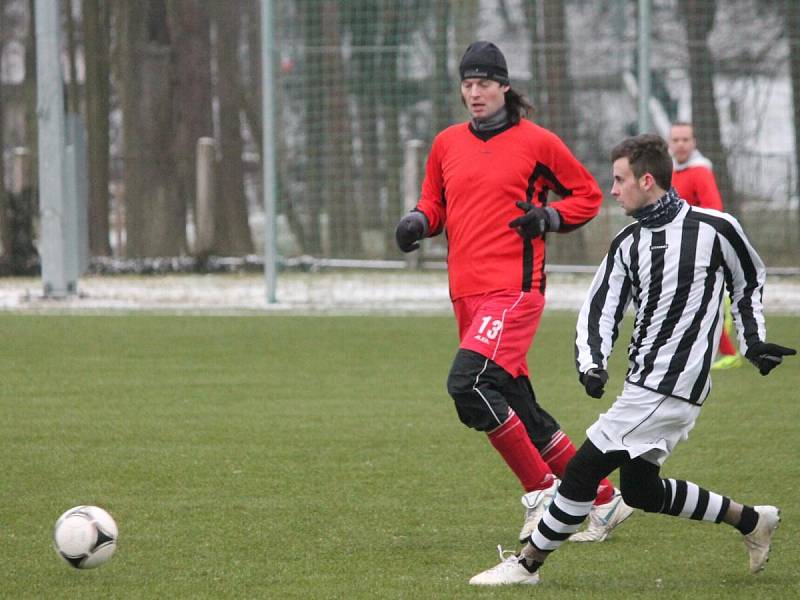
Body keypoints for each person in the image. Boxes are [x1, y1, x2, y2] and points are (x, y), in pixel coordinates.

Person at [468, 133, 796, 586]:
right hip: (643, 384)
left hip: (673, 386)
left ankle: (526, 565)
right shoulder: (628, 241)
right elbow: (600, 305)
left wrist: (753, 340)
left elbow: (748, 283)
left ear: (647, 179)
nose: (613, 189)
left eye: (619, 180)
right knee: (641, 490)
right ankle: (751, 520)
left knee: (582, 470)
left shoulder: (715, 228)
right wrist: (592, 361)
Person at [394, 41, 633, 547]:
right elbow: (434, 202)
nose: (475, 93)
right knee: (520, 408)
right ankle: (604, 499)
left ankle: (542, 491)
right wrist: (418, 221)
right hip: (466, 294)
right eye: (468, 84)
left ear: (504, 87)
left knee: (468, 384)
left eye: (484, 83)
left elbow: (587, 196)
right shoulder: (446, 143)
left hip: (514, 291)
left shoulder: (537, 142)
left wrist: (548, 217)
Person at [668, 122, 741, 370]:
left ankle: (728, 352)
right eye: (676, 139)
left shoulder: (699, 172)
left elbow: (713, 210)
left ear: (694, 142)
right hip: (676, 248)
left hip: (699, 248)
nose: (680, 144)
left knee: (701, 301)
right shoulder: (670, 172)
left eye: (685, 139)